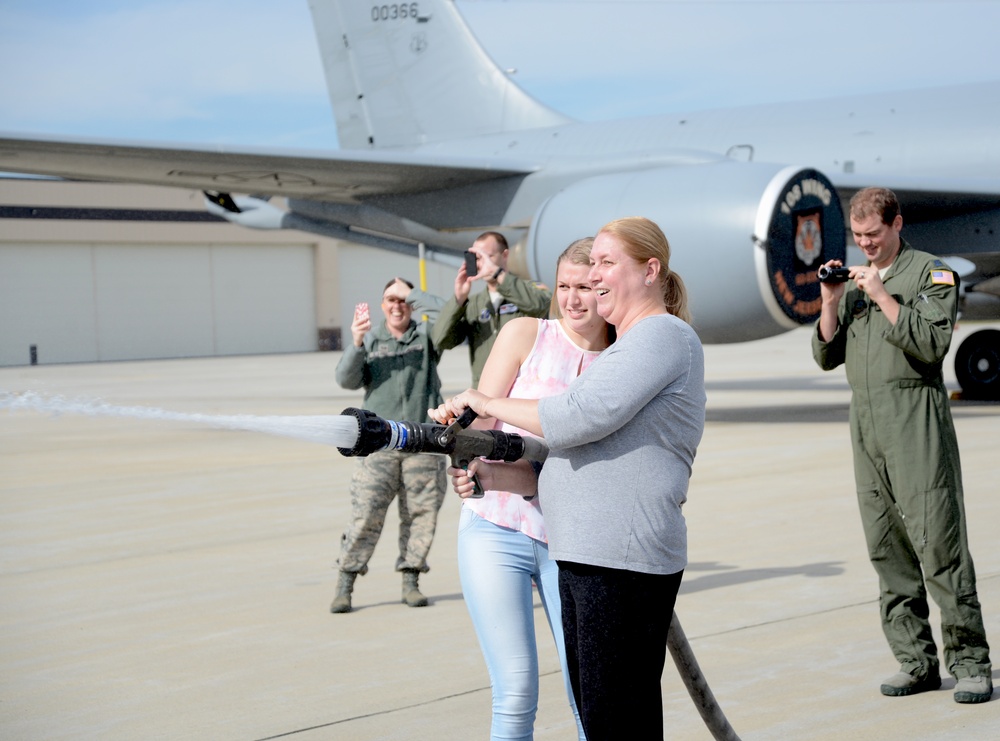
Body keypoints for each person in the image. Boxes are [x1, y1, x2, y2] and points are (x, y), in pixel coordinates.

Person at [434, 217, 706, 740]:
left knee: (610, 719)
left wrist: (484, 401)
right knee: (602, 715)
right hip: (586, 554)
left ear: (651, 271)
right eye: (579, 275)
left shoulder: (659, 335)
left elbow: (579, 416)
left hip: (616, 560)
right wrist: (477, 462)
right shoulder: (631, 341)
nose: (591, 283)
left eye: (605, 266)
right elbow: (555, 457)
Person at [812, 187, 992, 703]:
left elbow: (933, 343)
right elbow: (826, 356)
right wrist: (830, 302)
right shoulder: (853, 283)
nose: (864, 245)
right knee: (886, 550)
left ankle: (971, 662)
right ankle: (915, 662)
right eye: (857, 236)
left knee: (940, 546)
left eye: (873, 234)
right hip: (866, 428)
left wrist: (883, 296)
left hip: (915, 421)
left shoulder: (932, 274)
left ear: (896, 225)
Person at [457, 237, 612, 741]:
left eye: (586, 287)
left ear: (606, 288)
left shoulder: (623, 360)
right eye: (564, 286)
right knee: (517, 691)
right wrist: (457, 446)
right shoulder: (526, 333)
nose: (572, 299)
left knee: (588, 691)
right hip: (495, 526)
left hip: (571, 542)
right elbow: (480, 413)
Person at [330, 277, 448, 614]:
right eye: (390, 300)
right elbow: (345, 380)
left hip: (422, 442)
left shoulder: (426, 337)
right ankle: (346, 580)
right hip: (379, 444)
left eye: (402, 300)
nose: (397, 306)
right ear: (382, 306)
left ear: (411, 303)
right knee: (365, 514)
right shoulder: (370, 339)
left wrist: (416, 294)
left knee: (421, 515)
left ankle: (411, 580)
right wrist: (355, 342)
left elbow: (453, 316)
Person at [432, 231, 552, 386]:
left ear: (505, 255)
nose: (483, 263)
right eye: (478, 258)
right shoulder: (474, 303)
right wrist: (458, 299)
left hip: (523, 391)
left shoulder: (530, 289)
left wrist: (497, 274)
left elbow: (540, 305)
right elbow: (441, 340)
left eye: (489, 256)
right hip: (485, 396)